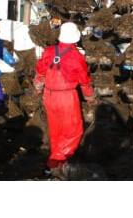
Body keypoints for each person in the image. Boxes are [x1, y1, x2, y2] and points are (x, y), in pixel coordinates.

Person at [33, 21, 96, 176]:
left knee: (56, 130)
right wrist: (90, 98)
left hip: (49, 95)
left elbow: (40, 73)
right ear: (75, 38)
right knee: (73, 130)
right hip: (66, 97)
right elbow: (84, 80)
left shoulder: (49, 51)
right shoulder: (76, 56)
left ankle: (53, 161)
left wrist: (38, 89)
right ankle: (59, 162)